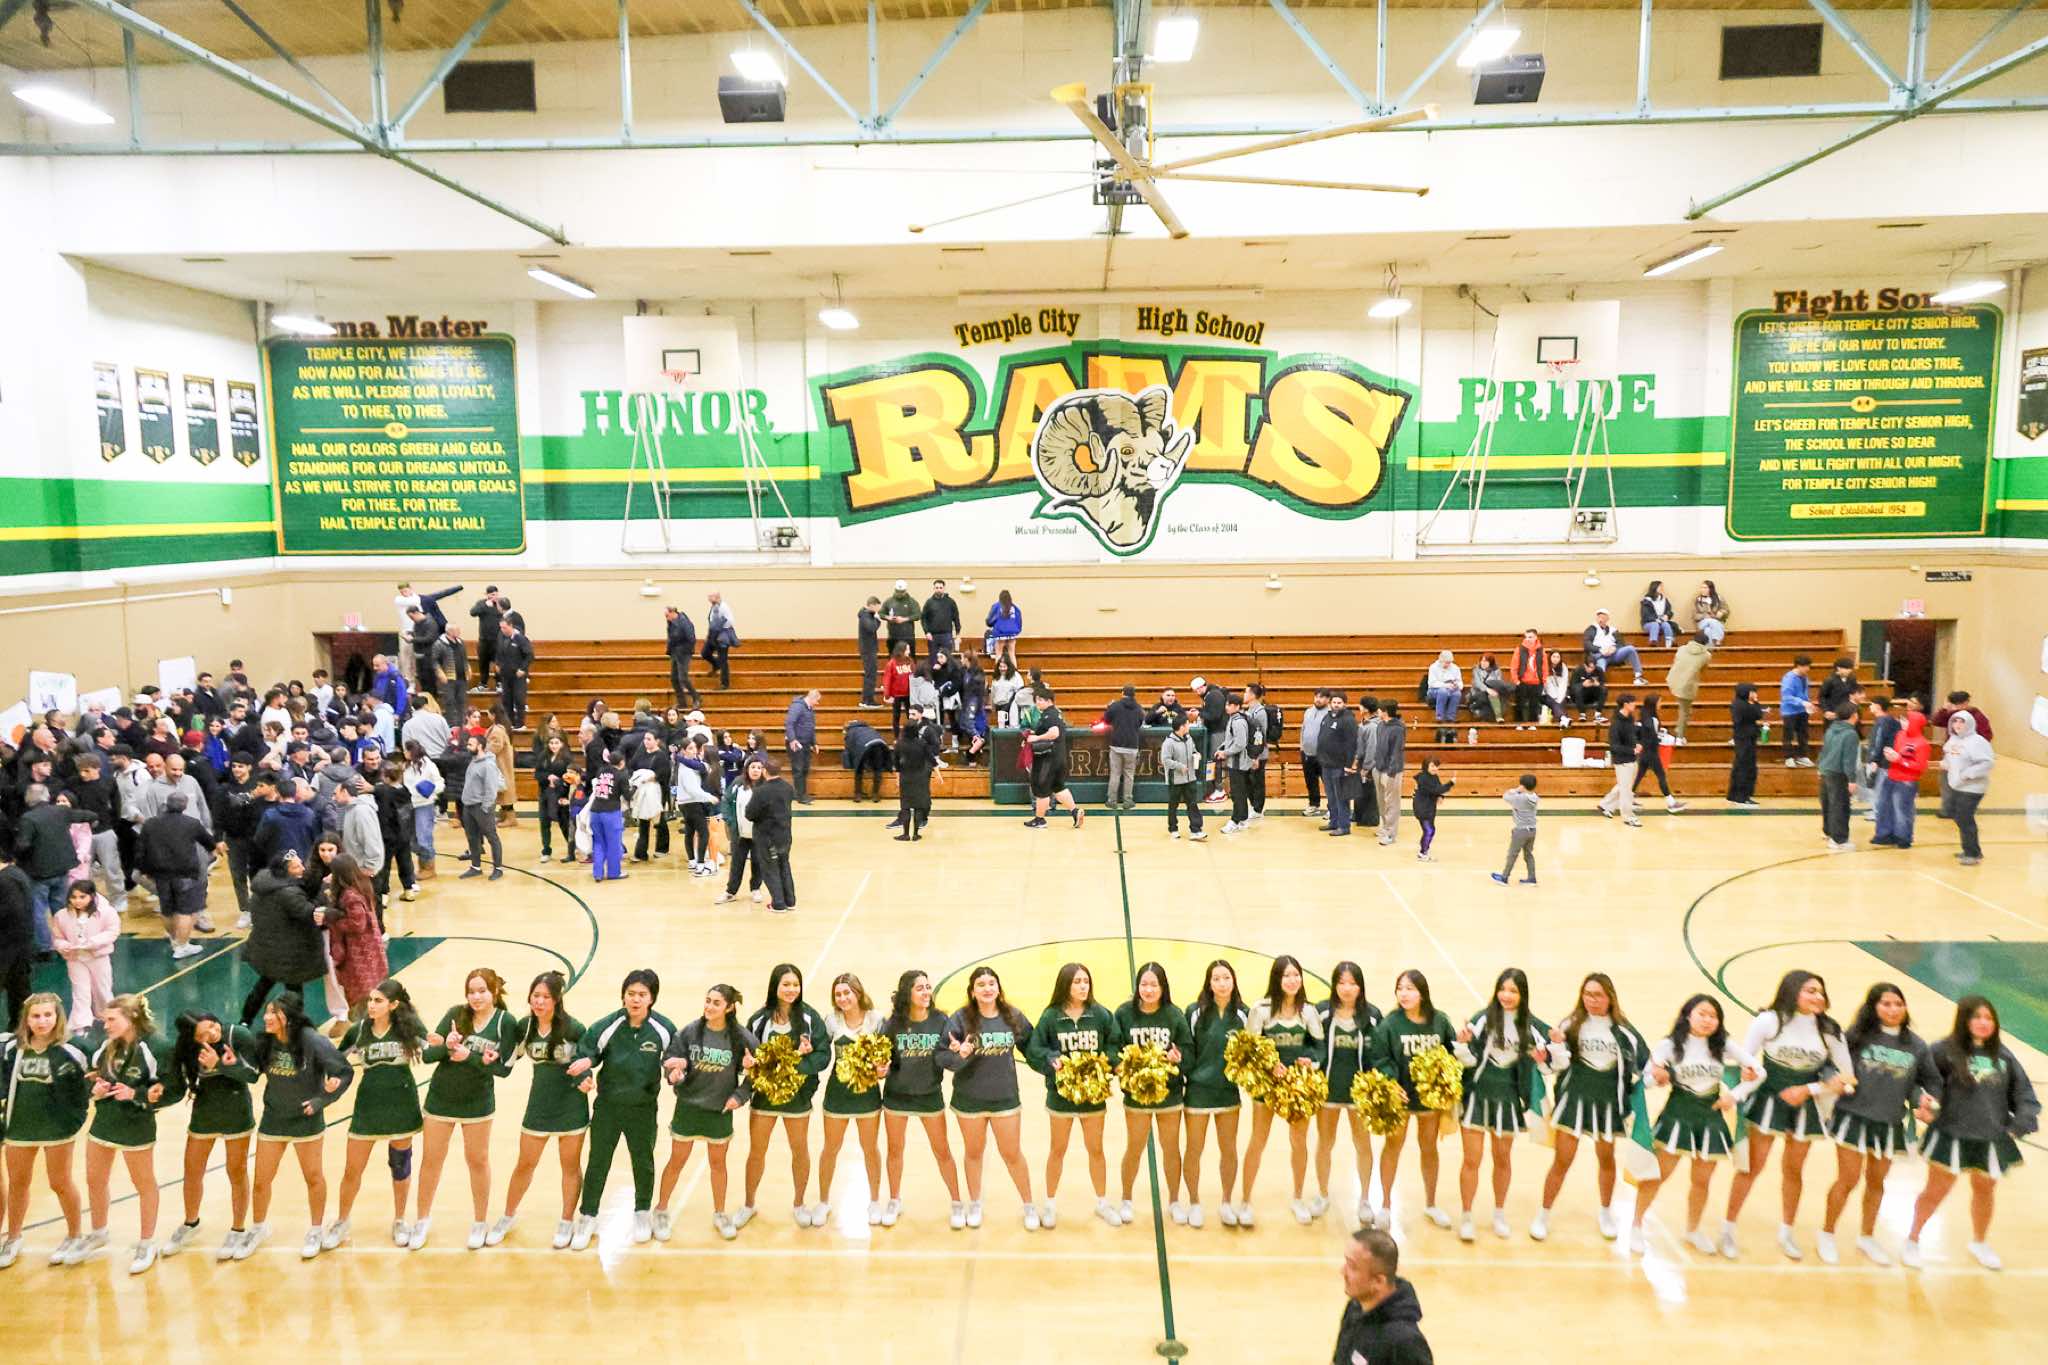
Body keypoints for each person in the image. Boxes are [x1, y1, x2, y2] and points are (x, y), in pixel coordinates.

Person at [1721, 970, 1854, 1260]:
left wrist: (1808, 1089)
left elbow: (1848, 1078)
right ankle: (1728, 1228)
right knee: (1752, 1167)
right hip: (1768, 1100)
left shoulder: (1830, 1030)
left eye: (1820, 991)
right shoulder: (1768, 1021)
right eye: (1810, 990)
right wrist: (1744, 1075)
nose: (1818, 996)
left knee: (1794, 1170)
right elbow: (1746, 1059)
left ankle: (1786, 1232)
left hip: (1805, 1105)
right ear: (1792, 991)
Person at [1903, 996, 2039, 1271]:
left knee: (1985, 1190)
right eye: (1977, 1017)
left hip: (1990, 1137)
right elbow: (1917, 1081)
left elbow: (2024, 1094)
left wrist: (2018, 1126)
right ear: (1964, 1020)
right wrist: (1922, 1101)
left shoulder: (2004, 1056)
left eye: (1989, 1018)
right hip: (1950, 1134)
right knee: (1936, 1190)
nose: (1983, 1023)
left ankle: (1979, 1242)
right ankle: (1913, 1239)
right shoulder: (1943, 1050)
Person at [1628, 993, 1759, 1255]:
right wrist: (1658, 1078)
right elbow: (1647, 1080)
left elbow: (1759, 1071)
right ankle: (1636, 1226)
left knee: (1702, 1180)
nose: (1708, 1020)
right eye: (1702, 1014)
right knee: (1658, 1175)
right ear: (1688, 1015)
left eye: (1713, 1016)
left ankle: (1693, 1230)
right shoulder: (1669, 1045)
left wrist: (1734, 1095)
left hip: (1711, 1119)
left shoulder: (1723, 1045)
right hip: (1677, 1116)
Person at [1817, 982, 1938, 1266]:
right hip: (1853, 1117)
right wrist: (1832, 1078)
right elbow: (1828, 1064)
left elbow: (1926, 1082)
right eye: (1886, 1004)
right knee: (1848, 1179)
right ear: (1873, 1007)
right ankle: (1827, 1233)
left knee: (1876, 1182)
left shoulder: (1916, 1046)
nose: (1893, 1009)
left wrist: (1923, 1100)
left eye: (1898, 1004)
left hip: (1889, 1123)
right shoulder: (1856, 1037)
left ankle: (1867, 1237)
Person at [1533, 973, 1648, 1244]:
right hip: (1573, 1102)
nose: (1592, 1000)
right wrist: (1544, 1057)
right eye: (1587, 994)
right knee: (1562, 1160)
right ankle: (1543, 1214)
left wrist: (1659, 1077)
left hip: (1608, 1106)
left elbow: (1646, 1066)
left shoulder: (1625, 1031)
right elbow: (1553, 1066)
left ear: (1610, 997)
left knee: (1606, 1159)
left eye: (1598, 995)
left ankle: (1606, 1212)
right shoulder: (1570, 1024)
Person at [567, 969, 675, 1250]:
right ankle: (588, 1216)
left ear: (652, 998)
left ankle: (642, 1212)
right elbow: (586, 1053)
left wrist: (676, 1073)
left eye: (642, 995)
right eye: (631, 994)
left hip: (643, 1109)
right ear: (623, 996)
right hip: (608, 1108)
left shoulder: (663, 1028)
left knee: (643, 1161)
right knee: (598, 1161)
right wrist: (584, 1075)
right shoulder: (608, 1025)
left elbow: (675, 1059)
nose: (635, 999)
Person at [411, 968, 515, 1250]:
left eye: (482, 991)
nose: (476, 997)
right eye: (471, 991)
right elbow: (428, 1055)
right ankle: (422, 1220)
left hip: (477, 1102)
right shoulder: (455, 1014)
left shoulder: (505, 1022)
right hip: (441, 1099)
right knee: (431, 1160)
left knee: (477, 1161)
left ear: (494, 992)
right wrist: (447, 1046)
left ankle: (480, 1222)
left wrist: (471, 1056)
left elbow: (504, 1069)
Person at [246, 992, 353, 1261]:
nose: (267, 1017)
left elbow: (344, 1072)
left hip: (306, 1120)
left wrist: (322, 1100)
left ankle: (315, 1230)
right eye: (267, 1012)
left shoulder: (313, 1041)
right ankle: (258, 1228)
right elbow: (251, 1073)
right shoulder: (265, 1041)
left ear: (289, 1017)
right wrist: (228, 1065)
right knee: (261, 1180)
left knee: (313, 1177)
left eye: (273, 1013)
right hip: (274, 1118)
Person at [79, 993, 178, 1274]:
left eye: (112, 1019)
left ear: (131, 1018)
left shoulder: (157, 1047)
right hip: (105, 1120)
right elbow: (91, 1078)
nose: (106, 1025)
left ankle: (147, 1242)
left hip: (136, 1123)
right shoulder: (107, 1046)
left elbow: (173, 1090)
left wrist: (138, 1094)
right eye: (105, 1020)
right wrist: (94, 1090)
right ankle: (98, 1232)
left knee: (143, 1183)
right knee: (95, 1178)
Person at [936, 965, 1039, 1230]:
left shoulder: (1012, 1016)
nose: (987, 988)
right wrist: (960, 1054)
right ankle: (975, 1204)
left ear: (998, 987)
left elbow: (1033, 1047)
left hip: (1005, 1098)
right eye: (980, 985)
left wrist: (1052, 1064)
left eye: (991, 983)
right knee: (974, 1153)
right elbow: (943, 1057)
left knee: (1012, 1153)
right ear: (972, 991)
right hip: (969, 1099)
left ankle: (1029, 1205)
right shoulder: (960, 1019)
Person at [654, 982, 758, 1242]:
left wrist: (740, 1096)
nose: (709, 1006)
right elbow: (670, 1062)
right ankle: (661, 1209)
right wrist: (673, 1073)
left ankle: (720, 1213)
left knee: (718, 1164)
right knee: (677, 1160)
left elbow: (759, 1072)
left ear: (729, 1007)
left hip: (718, 1111)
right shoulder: (690, 1031)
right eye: (708, 1001)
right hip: (688, 1107)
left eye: (716, 1003)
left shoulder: (741, 1038)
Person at [329, 978, 426, 1252]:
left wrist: (448, 1044)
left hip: (401, 1104)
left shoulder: (408, 1029)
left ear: (393, 1005)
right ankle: (341, 1221)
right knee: (352, 1169)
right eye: (371, 1000)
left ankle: (400, 1220)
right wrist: (329, 1079)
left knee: (400, 1165)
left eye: (378, 1001)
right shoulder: (358, 1031)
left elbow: (434, 1049)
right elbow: (335, 1061)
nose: (371, 1005)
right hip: (368, 1106)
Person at [492, 971, 587, 1248]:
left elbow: (586, 1062)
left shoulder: (574, 1028)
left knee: (570, 1166)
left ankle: (566, 1221)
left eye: (546, 997)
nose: (540, 1002)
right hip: (539, 1104)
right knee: (525, 1164)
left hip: (571, 1104)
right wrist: (488, 1059)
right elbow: (507, 1063)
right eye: (536, 995)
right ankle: (507, 1216)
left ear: (557, 1000)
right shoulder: (525, 1027)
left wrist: (586, 1079)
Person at [1452, 968, 1548, 1241]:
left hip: (1508, 1100)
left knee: (1502, 1159)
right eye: (1502, 989)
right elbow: (1467, 1058)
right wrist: (1462, 1044)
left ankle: (1499, 1214)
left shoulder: (1531, 1025)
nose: (1506, 995)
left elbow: (1550, 1061)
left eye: (1513, 991)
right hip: (1477, 1096)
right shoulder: (1482, 1019)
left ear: (1523, 995)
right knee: (1471, 1159)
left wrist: (1548, 1054)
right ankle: (1466, 1216)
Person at [1, 993, 91, 1266]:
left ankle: (75, 1235)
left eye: (47, 1015)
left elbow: (84, 1090)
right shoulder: (11, 1048)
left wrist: (73, 1122)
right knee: (18, 1183)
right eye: (36, 1016)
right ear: (26, 1019)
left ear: (57, 1017)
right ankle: (13, 1238)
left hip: (57, 1128)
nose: (42, 1021)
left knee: (60, 1182)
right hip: (19, 1127)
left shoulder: (73, 1050)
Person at [1027, 962, 1119, 1229]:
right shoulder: (1051, 1017)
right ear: (1065, 985)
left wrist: (1107, 1063)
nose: (1082, 986)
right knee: (1058, 1150)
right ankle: (1050, 1204)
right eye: (1077, 982)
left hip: (1093, 1096)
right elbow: (1035, 1049)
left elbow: (1114, 1044)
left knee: (1096, 1150)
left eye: (1085, 981)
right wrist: (1051, 1059)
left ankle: (1102, 1202)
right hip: (1061, 1097)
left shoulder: (1101, 1014)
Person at [162, 1010, 259, 1261]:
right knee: (192, 1169)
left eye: (214, 1026)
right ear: (193, 1038)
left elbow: (253, 1075)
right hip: (205, 1110)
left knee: (236, 1170)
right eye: (205, 1033)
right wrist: (153, 1096)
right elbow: (177, 1085)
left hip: (236, 1109)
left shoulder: (238, 1035)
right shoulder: (187, 1049)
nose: (213, 1033)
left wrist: (221, 1065)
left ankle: (237, 1229)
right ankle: (191, 1223)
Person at [739, 965, 831, 1228]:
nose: (791, 990)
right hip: (764, 1097)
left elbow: (823, 1055)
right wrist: (749, 1065)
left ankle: (799, 1204)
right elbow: (747, 1054)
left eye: (795, 984)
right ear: (775, 987)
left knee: (799, 1150)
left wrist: (796, 1066)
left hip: (797, 1098)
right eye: (786, 984)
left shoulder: (810, 1018)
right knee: (757, 1151)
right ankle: (748, 1205)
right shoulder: (759, 1020)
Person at [1366, 969, 1457, 1231]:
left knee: (1429, 1147)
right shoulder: (1390, 1024)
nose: (1404, 994)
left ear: (1422, 993)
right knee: (1393, 1146)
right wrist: (1391, 1082)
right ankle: (1385, 1205)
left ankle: (1431, 1204)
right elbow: (1379, 1058)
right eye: (1400, 989)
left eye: (1410, 989)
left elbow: (1451, 1053)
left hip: (1429, 1100)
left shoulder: (1439, 1021)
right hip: (1401, 1097)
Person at [880, 970, 964, 1228]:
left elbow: (950, 1058)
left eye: (928, 987)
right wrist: (880, 1070)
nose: (927, 992)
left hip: (929, 1095)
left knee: (942, 1151)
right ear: (908, 993)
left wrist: (956, 1052)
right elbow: (884, 1062)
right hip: (896, 1096)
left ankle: (957, 1202)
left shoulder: (941, 1021)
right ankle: (894, 1200)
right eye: (920, 988)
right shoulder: (893, 1024)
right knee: (895, 1151)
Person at [1241, 956, 1322, 1225]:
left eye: (1296, 975)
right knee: (1258, 1141)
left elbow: (1319, 1047)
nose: (1292, 980)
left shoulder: (1308, 1011)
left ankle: (1298, 1198)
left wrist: (1311, 1061)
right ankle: (1245, 1201)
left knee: (1299, 1141)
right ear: (1277, 979)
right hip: (1266, 1087)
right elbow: (1249, 1048)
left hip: (1298, 1088)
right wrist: (1269, 1065)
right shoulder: (1261, 1010)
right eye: (1286, 975)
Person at [815, 974, 890, 1228]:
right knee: (830, 1148)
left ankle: (874, 1201)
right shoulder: (831, 1021)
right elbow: (820, 1052)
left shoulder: (876, 1020)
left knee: (870, 1148)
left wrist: (883, 1070)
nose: (843, 998)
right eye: (838, 994)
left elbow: (886, 1057)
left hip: (867, 1095)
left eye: (847, 992)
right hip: (837, 1095)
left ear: (858, 992)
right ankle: (823, 1202)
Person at [1312, 963, 1381, 1227]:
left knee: (1363, 1144)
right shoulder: (1321, 1012)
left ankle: (1365, 1199)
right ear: (1334, 985)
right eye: (1341, 983)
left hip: (1359, 1094)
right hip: (1328, 1091)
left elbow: (1380, 1052)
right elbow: (1311, 1044)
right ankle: (1322, 1194)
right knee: (1325, 1142)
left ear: (1360, 987)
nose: (1347, 988)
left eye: (1352, 983)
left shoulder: (1372, 1016)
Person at [239, 850, 325, 1027]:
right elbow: (309, 912)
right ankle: (297, 1026)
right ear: (286, 871)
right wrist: (323, 894)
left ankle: (245, 1020)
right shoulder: (289, 893)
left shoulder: (263, 884)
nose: (302, 868)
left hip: (266, 948)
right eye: (296, 867)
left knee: (263, 986)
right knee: (294, 991)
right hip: (288, 953)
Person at [1333, 1227, 1434, 1364]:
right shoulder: (1355, 1307)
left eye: (1352, 1267)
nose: (1342, 1271)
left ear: (1379, 1281)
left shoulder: (1404, 1343)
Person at [136, 794, 218, 958]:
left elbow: (140, 850)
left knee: (167, 910)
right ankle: (182, 946)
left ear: (167, 804)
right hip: (185, 874)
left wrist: (144, 870)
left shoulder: (150, 824)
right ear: (185, 806)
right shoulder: (192, 823)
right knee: (187, 911)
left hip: (160, 874)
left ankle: (174, 941)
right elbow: (209, 843)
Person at [324, 853, 387, 1015]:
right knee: (372, 987)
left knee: (361, 993)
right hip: (371, 946)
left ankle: (362, 1021)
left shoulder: (349, 895)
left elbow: (357, 924)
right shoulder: (362, 885)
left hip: (359, 950)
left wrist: (333, 919)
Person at [1023, 688, 1084, 831]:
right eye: (1036, 700)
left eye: (1040, 700)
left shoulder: (1049, 715)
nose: (1037, 703)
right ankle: (1075, 812)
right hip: (1058, 757)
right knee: (1058, 787)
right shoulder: (1056, 713)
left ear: (1049, 700)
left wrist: (1035, 738)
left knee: (1041, 789)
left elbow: (1054, 733)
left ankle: (1040, 819)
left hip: (1047, 759)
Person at [1940, 710, 1994, 866]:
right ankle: (1971, 849)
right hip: (1957, 785)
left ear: (1969, 724)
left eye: (1961, 722)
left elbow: (1987, 763)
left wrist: (1967, 774)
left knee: (1965, 818)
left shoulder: (1977, 741)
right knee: (1959, 817)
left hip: (1973, 788)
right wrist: (1945, 764)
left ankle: (1972, 854)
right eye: (1955, 721)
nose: (1957, 725)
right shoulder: (1953, 740)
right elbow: (1950, 758)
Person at [1872, 705, 1929, 848]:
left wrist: (1899, 760)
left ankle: (1903, 837)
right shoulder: (1900, 735)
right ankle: (1884, 834)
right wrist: (1890, 755)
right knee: (1884, 806)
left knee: (1902, 810)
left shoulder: (1922, 744)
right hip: (1892, 775)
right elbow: (1897, 754)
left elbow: (1920, 766)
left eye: (1906, 720)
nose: (1902, 723)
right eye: (1902, 720)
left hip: (1906, 781)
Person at [745, 757, 797, 914]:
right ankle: (790, 901)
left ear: (765, 771)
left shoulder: (761, 791)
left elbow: (750, 814)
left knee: (770, 869)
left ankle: (778, 903)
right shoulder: (788, 787)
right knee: (784, 865)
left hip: (767, 836)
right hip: (785, 834)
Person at [457, 732, 505, 880]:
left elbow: (491, 789)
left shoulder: (488, 765)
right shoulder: (473, 761)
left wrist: (485, 807)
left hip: (481, 807)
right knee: (472, 838)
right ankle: (475, 867)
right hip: (469, 806)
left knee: (492, 837)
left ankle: (498, 868)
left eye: (470, 744)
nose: (467, 746)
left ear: (480, 746)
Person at [1629, 696, 1684, 815]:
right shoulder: (1653, 719)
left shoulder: (1643, 717)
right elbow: (1654, 736)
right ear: (1653, 704)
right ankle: (1671, 803)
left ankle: (1629, 798)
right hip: (1651, 753)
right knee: (1661, 776)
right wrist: (1670, 740)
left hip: (1644, 752)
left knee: (1639, 776)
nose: (1661, 704)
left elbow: (1639, 733)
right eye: (1659, 702)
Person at [1596, 694, 1644, 827]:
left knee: (1624, 785)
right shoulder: (1616, 723)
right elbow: (1614, 746)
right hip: (1622, 760)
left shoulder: (1630, 718)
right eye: (1633, 702)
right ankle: (1628, 817)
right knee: (1626, 790)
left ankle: (1605, 805)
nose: (1635, 705)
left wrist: (1637, 744)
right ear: (1626, 704)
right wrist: (1631, 750)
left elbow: (1632, 735)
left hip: (1632, 758)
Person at [1817, 705, 1860, 852]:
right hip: (1838, 773)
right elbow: (1849, 759)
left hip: (1825, 770)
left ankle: (1829, 832)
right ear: (1853, 715)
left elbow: (1823, 751)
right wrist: (1852, 780)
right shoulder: (1850, 734)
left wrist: (1820, 767)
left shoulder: (1831, 730)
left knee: (1828, 804)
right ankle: (1839, 840)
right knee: (1840, 806)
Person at [0, 846, 33, 1031]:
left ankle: (19, 1028)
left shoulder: (6, 880)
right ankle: (19, 1029)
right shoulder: (15, 874)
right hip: (19, 946)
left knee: (18, 992)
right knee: (19, 991)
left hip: (7, 948)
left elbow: (11, 912)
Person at [1317, 691, 1358, 838]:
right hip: (1326, 764)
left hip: (1340, 766)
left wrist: (1348, 765)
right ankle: (1333, 822)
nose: (1336, 705)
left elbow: (1352, 744)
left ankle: (1344, 826)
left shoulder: (1348, 720)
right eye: (1334, 702)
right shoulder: (1327, 717)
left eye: (1339, 702)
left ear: (1344, 704)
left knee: (1341, 797)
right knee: (1331, 797)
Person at [1160, 713, 1205, 842]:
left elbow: (1193, 750)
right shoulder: (1169, 742)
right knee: (1173, 804)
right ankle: (1173, 828)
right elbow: (1165, 760)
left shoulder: (1189, 738)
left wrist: (1197, 754)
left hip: (1190, 778)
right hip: (1176, 779)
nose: (1189, 726)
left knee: (1192, 804)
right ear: (1181, 727)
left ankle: (1196, 830)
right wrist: (1179, 766)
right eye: (1187, 724)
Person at [893, 708, 936, 841]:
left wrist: (897, 778)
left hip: (906, 777)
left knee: (905, 806)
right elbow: (931, 759)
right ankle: (916, 834)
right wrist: (938, 774)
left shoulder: (899, 744)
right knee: (918, 806)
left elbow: (896, 764)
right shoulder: (922, 743)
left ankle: (905, 834)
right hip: (920, 777)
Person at [1490, 774, 1539, 886]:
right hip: (1532, 830)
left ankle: (1504, 877)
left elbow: (1506, 796)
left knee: (1512, 854)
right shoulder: (1535, 797)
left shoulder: (1520, 798)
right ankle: (1532, 878)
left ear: (1523, 785)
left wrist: (1517, 790)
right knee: (1528, 854)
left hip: (1521, 831)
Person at [1103, 684, 1144, 811]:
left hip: (1116, 744)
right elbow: (1140, 723)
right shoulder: (1138, 708)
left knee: (1115, 774)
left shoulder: (1115, 706)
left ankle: (1112, 800)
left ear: (1122, 693)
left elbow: (1106, 719)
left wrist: (1108, 708)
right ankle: (1128, 800)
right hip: (1132, 745)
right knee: (1129, 775)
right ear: (1134, 694)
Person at [1370, 700, 1405, 846]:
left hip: (1391, 771)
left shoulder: (1398, 728)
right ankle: (1385, 827)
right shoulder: (1380, 725)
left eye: (1379, 710)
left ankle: (1391, 834)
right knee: (1381, 801)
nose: (1377, 712)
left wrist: (1391, 771)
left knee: (1392, 803)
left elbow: (1397, 751)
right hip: (1378, 768)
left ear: (1385, 711)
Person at [1581, 609, 1647, 686]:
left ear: (1607, 618)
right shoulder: (1591, 629)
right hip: (1600, 656)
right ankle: (1598, 684)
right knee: (1600, 667)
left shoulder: (1613, 630)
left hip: (1614, 655)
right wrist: (1600, 650)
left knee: (1630, 649)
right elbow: (1587, 644)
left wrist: (1614, 648)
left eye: (1603, 617)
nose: (1601, 619)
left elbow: (1621, 643)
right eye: (1599, 617)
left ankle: (1638, 677)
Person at [1726, 682, 1765, 808]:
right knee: (1743, 767)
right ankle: (1740, 797)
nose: (1755, 694)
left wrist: (1755, 703)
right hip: (1743, 739)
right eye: (1752, 692)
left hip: (1749, 739)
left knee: (1748, 767)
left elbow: (1758, 714)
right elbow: (1753, 714)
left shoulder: (1748, 704)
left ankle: (1743, 796)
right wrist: (1754, 704)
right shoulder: (1739, 705)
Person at [1778, 655, 1817, 767]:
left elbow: (1804, 694)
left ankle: (1802, 756)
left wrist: (1808, 704)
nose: (1808, 669)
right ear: (1799, 666)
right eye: (1806, 666)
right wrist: (1802, 703)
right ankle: (1788, 757)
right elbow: (1786, 697)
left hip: (1802, 711)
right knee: (1788, 735)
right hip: (1790, 711)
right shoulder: (1789, 678)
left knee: (1803, 734)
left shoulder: (1805, 677)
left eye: (1809, 666)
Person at [1410, 758, 1451, 862]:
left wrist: (1441, 796)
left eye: (1437, 766)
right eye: (1432, 766)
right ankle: (1423, 853)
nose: (1435, 768)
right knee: (1429, 830)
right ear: (1426, 766)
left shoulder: (1434, 777)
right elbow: (1436, 790)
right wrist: (1450, 784)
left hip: (1430, 808)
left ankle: (1424, 850)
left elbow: (1438, 788)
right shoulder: (1423, 778)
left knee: (1430, 830)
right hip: (1422, 808)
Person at [784, 688, 819, 805]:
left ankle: (803, 794)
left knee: (804, 769)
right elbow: (789, 723)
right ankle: (800, 796)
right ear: (812, 698)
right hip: (797, 743)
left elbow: (811, 728)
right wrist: (792, 740)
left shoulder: (810, 709)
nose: (817, 703)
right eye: (817, 700)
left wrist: (814, 743)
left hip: (806, 743)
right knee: (798, 769)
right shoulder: (797, 707)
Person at [843, 719, 892, 804]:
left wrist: (849, 765)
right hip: (879, 745)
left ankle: (858, 794)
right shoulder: (869, 728)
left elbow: (849, 750)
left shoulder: (850, 732)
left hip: (864, 747)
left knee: (859, 769)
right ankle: (875, 794)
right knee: (878, 769)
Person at [469, 587, 509, 690]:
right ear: (487, 595)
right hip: (484, 640)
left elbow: (507, 614)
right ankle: (483, 683)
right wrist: (485, 605)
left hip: (497, 640)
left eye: (496, 594)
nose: (494, 597)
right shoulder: (481, 603)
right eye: (492, 595)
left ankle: (499, 683)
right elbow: (472, 613)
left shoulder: (500, 604)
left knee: (498, 662)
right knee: (483, 662)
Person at [664, 605, 702, 707]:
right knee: (674, 679)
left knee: (683, 678)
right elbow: (671, 638)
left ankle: (696, 698)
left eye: (667, 615)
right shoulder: (671, 623)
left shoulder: (684, 622)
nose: (666, 618)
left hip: (684, 654)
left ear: (673, 613)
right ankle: (682, 703)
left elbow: (691, 639)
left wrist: (682, 650)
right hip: (675, 653)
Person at [701, 591, 737, 689]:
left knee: (723, 660)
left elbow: (730, 621)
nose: (708, 599)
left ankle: (724, 684)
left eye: (710, 597)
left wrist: (721, 627)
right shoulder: (714, 607)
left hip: (722, 636)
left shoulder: (724, 607)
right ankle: (716, 665)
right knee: (705, 653)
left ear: (717, 597)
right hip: (713, 635)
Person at [1425, 651, 1463, 742]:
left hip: (1451, 689)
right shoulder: (1433, 667)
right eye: (1446, 662)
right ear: (1440, 660)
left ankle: (1450, 718)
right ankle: (1440, 717)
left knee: (1457, 694)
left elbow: (1460, 683)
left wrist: (1457, 685)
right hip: (1435, 690)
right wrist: (1445, 685)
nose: (1448, 665)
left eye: (1449, 663)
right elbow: (1432, 683)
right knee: (1443, 692)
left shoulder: (1455, 668)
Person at [921, 579, 960, 665]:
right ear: (934, 589)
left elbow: (956, 617)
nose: (938, 589)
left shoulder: (950, 602)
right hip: (933, 636)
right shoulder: (929, 602)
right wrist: (926, 632)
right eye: (937, 587)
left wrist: (958, 633)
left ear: (944, 588)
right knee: (933, 660)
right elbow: (923, 618)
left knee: (947, 659)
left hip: (947, 635)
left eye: (940, 587)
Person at [984, 589, 1023, 668]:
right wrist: (1017, 631)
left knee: (999, 654)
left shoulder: (996, 606)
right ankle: (1015, 673)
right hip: (1012, 633)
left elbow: (989, 620)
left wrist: (992, 624)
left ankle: (998, 673)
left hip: (1000, 633)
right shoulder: (1014, 607)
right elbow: (1019, 621)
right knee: (1012, 654)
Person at [883, 642, 915, 737]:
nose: (909, 652)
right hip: (896, 695)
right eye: (907, 649)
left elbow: (915, 675)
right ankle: (896, 737)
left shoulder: (910, 661)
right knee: (896, 716)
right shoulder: (892, 663)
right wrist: (887, 695)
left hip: (909, 694)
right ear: (901, 650)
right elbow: (887, 680)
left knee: (911, 716)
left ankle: (911, 735)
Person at [855, 597, 881, 708]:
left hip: (869, 649)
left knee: (871, 674)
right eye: (877, 607)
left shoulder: (867, 615)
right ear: (872, 605)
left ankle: (868, 699)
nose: (878, 609)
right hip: (868, 650)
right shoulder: (865, 616)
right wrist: (878, 620)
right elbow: (872, 628)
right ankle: (867, 700)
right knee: (870, 674)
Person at [1691, 579, 1730, 646]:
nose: (1702, 589)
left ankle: (1710, 647)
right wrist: (1704, 616)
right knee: (1710, 620)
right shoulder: (1697, 600)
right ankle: (1718, 639)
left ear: (1711, 589)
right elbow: (1694, 615)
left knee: (1708, 630)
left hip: (1717, 623)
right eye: (1701, 587)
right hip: (1702, 623)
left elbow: (1726, 610)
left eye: (1705, 588)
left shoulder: (1719, 598)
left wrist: (1721, 612)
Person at [1640, 579, 1678, 647]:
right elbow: (1645, 615)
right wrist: (1656, 620)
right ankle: (1653, 642)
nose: (1662, 588)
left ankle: (1670, 641)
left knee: (1666, 624)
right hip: (1649, 623)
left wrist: (1667, 615)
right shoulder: (1646, 601)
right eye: (1660, 586)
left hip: (1662, 622)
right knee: (1655, 625)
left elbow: (1669, 611)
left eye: (1662, 587)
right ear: (1654, 587)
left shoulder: (1664, 599)